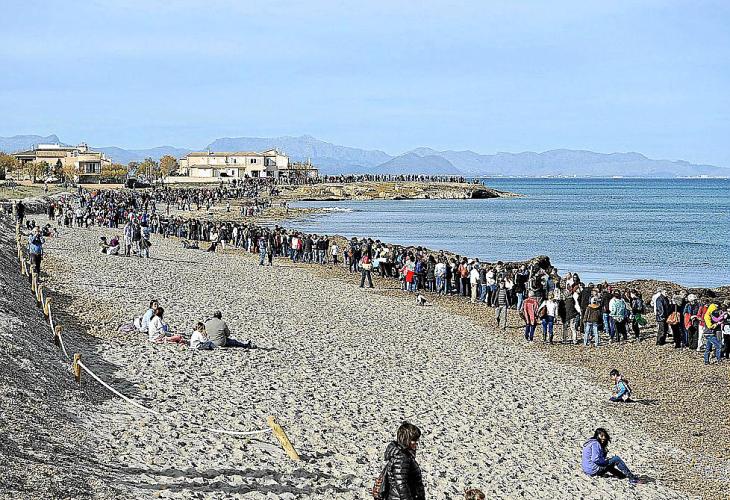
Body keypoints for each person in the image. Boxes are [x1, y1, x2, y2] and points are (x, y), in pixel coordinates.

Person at [382, 422, 425, 500]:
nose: (416, 443)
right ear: (406, 440)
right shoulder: (402, 458)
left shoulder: (403, 455)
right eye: (414, 440)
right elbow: (401, 484)